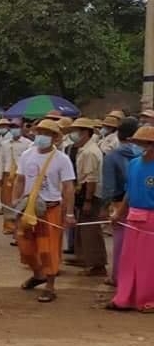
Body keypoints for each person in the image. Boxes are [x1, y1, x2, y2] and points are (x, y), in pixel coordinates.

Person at [13, 119, 77, 303]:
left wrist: (70, 213)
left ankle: (50, 286)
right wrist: (14, 203)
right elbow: (19, 180)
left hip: (50, 209)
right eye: (40, 132)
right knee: (26, 248)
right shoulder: (26, 155)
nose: (42, 136)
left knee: (48, 250)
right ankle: (37, 274)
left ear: (55, 138)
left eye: (47, 134)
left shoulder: (62, 159)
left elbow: (68, 187)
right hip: (28, 208)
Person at [108, 124, 154, 312]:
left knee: (148, 261)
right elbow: (128, 190)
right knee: (128, 259)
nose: (144, 147)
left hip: (151, 217)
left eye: (147, 143)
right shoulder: (134, 163)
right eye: (140, 143)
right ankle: (124, 297)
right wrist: (119, 212)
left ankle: (148, 299)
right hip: (133, 215)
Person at [101, 118, 142, 287]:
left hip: (119, 203)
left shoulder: (112, 157)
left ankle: (116, 276)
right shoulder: (143, 155)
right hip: (140, 204)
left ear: (118, 134)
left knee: (119, 242)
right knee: (138, 243)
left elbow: (109, 187)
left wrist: (105, 207)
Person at [67, 118, 108, 277]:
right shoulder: (84, 149)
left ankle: (97, 264)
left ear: (85, 133)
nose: (73, 134)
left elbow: (91, 179)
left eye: (76, 131)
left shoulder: (90, 152)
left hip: (90, 193)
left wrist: (88, 200)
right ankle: (85, 257)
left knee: (90, 229)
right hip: (83, 191)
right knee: (82, 228)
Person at [0, 118, 32, 236]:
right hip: (7, 175)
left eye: (17, 127)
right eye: (12, 127)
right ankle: (8, 225)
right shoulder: (4, 144)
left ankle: (20, 226)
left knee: (20, 201)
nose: (14, 130)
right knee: (7, 201)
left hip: (21, 176)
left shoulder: (28, 144)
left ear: (22, 128)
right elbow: (0, 160)